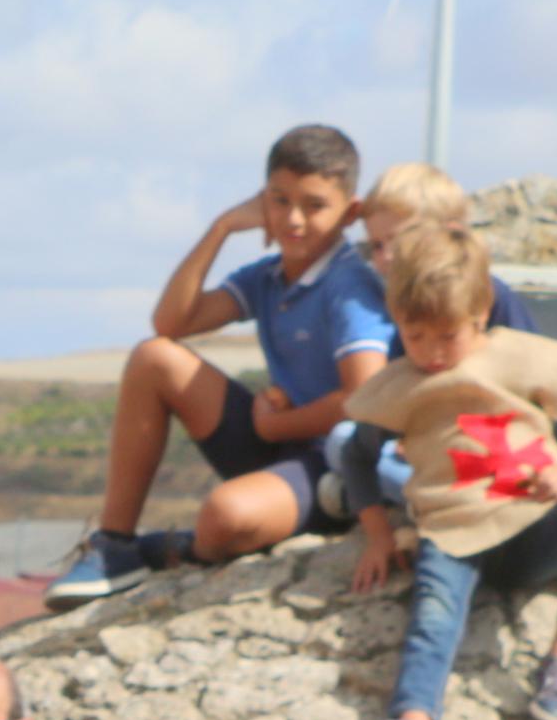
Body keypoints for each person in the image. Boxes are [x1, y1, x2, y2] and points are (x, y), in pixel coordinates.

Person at [46, 124, 391, 606]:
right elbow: (171, 322)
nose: (293, 219)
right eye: (280, 201)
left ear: (350, 213)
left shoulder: (348, 286)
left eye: (314, 206)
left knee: (226, 517)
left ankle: (178, 548)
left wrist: (277, 426)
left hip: (331, 461)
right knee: (153, 357)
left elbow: (364, 397)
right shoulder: (268, 277)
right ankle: (116, 545)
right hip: (277, 438)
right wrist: (222, 228)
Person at [339, 224, 557, 720]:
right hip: (455, 534)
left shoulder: (523, 362)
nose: (433, 352)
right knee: (433, 614)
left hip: (532, 525)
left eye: (448, 336)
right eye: (416, 336)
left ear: (480, 313)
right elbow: (355, 456)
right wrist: (377, 535)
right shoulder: (403, 386)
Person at [355, 164, 541, 342]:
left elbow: (527, 355)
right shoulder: (386, 299)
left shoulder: (487, 292)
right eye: (377, 246)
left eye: (399, 242)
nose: (387, 256)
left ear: (450, 233)